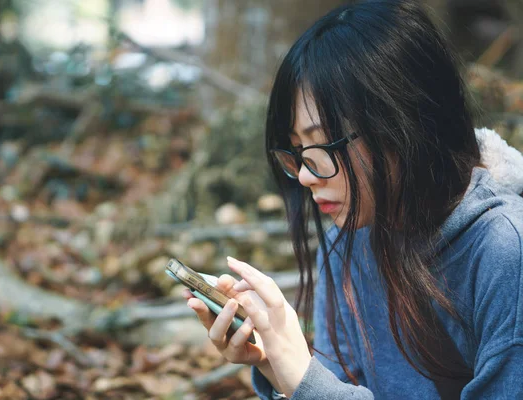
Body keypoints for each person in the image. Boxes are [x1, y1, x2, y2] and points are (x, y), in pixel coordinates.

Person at [182, 1, 523, 398]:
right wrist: (274, 363)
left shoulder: (505, 253)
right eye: (296, 151)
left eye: (323, 145)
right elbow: (337, 388)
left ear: (403, 126)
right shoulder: (347, 241)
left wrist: (303, 380)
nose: (306, 175)